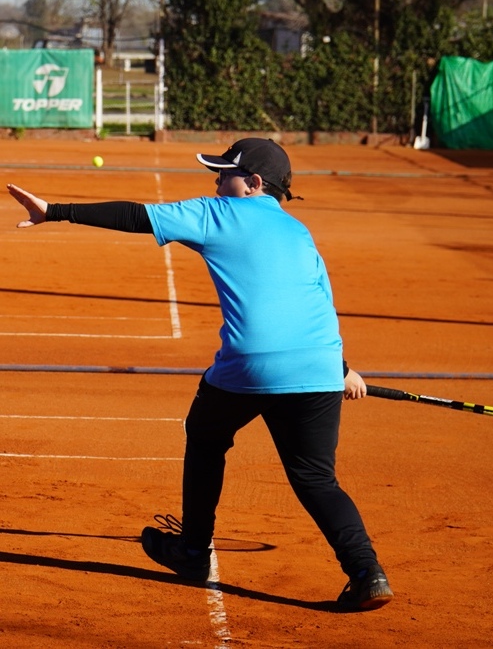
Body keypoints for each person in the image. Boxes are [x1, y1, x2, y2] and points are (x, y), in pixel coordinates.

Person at [7, 137, 393, 610]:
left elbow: (136, 216)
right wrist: (342, 369)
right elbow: (317, 303)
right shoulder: (299, 233)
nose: (215, 181)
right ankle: (368, 571)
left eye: (223, 173)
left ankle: (192, 550)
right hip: (318, 364)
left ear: (252, 184)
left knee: (206, 436)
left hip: (252, 364)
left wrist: (58, 211)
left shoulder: (218, 214)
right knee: (316, 479)